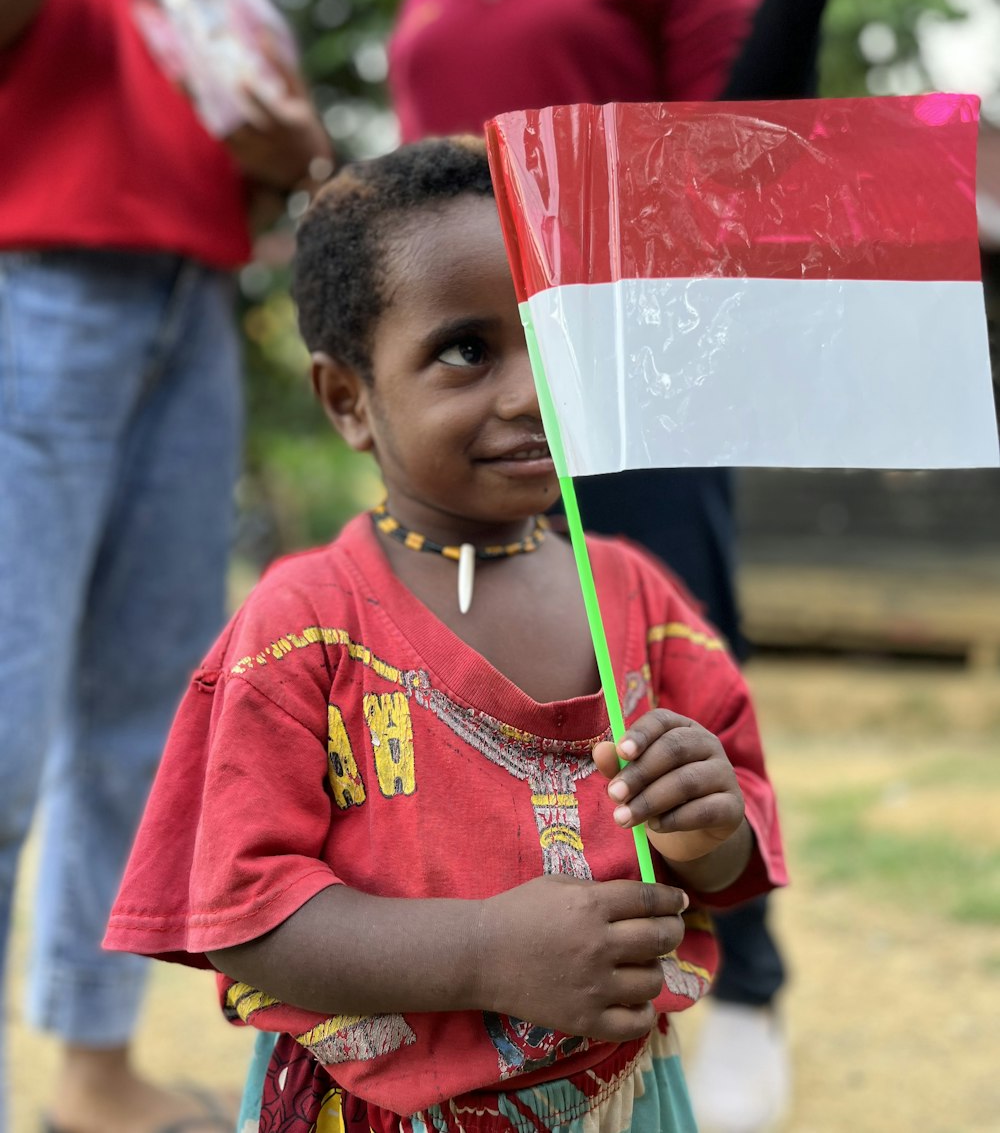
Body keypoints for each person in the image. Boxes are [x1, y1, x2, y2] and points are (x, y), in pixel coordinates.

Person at [387, 0, 934, 1128]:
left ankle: (741, 982)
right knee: (474, 667)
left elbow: (756, 140)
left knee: (663, 664)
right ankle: (545, 967)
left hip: (634, 370)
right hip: (465, 376)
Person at [105, 136, 787, 1133]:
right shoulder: (301, 627)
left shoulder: (638, 601)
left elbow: (723, 873)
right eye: (466, 350)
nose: (528, 393)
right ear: (348, 400)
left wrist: (705, 832)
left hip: (623, 1097)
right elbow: (245, 915)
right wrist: (484, 950)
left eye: (550, 344)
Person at [0, 0, 330, 1131]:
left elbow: (267, 139)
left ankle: (91, 1063)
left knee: (150, 711)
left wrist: (281, 150)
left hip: (193, 303)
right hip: (30, 290)